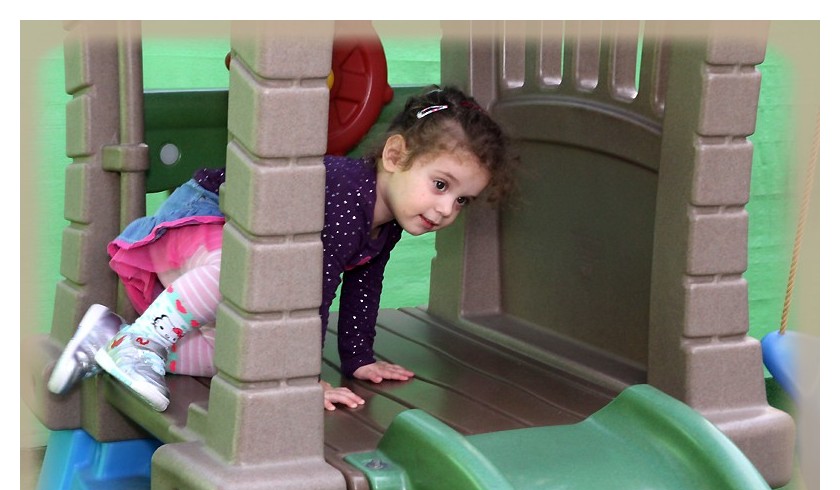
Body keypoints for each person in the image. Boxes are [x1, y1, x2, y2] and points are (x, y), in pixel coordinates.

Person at [48, 85, 513, 412]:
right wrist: (302, 380)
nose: (446, 209)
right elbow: (312, 292)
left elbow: (364, 288)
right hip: (212, 216)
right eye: (440, 185)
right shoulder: (350, 195)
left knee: (240, 354)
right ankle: (144, 343)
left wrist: (359, 359)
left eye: (462, 200)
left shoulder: (386, 223)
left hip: (243, 257)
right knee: (243, 270)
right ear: (395, 156)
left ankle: (117, 340)